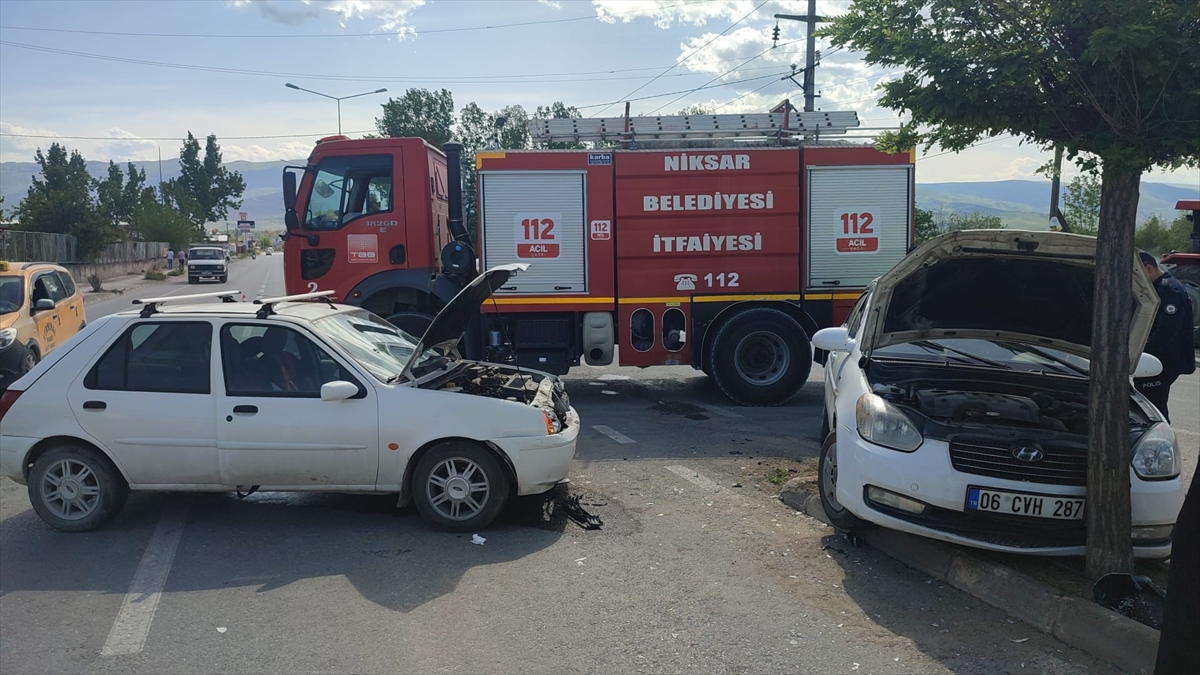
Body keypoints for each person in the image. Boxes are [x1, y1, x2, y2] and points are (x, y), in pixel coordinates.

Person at [1134, 250, 1195, 422]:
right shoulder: (1161, 287)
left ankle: (1159, 442)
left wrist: (1140, 349)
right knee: (1146, 405)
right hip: (1158, 358)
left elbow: (1167, 330)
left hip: (1162, 360)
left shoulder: (1169, 290)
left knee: (1154, 409)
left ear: (1148, 269)